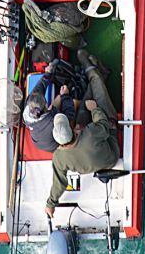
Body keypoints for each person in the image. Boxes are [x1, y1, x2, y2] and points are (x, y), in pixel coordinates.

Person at [44, 47, 121, 215]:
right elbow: (104, 126)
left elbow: (59, 183)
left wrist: (51, 203)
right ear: (73, 130)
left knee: (83, 108)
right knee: (97, 95)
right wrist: (94, 110)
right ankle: (94, 70)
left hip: (92, 163)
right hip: (111, 151)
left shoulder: (58, 157)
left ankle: (98, 74)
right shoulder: (90, 133)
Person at [22, 61, 77, 153]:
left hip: (39, 142)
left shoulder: (29, 105)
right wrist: (65, 96)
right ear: (45, 107)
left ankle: (61, 95)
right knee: (74, 103)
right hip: (54, 145)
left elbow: (41, 86)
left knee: (58, 98)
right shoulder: (52, 119)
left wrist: (48, 73)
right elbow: (69, 114)